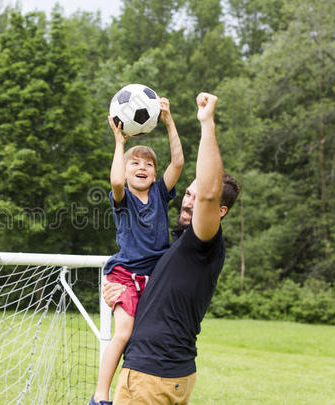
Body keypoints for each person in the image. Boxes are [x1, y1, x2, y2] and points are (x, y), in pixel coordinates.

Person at [102, 92, 241, 405]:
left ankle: (99, 394)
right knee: (122, 330)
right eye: (188, 193)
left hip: (153, 376)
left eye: (198, 196)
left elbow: (196, 180)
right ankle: (102, 390)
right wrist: (115, 288)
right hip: (155, 370)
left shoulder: (201, 241)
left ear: (219, 212)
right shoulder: (176, 242)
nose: (190, 199)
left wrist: (200, 123)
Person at [89, 97, 184, 405]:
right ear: (127, 172)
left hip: (155, 279)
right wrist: (119, 143)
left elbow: (179, 163)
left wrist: (169, 122)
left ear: (155, 175)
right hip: (125, 275)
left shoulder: (159, 193)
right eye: (135, 163)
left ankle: (136, 392)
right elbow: (116, 179)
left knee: (146, 339)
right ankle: (100, 396)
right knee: (124, 331)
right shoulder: (123, 200)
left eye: (148, 164)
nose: (142, 167)